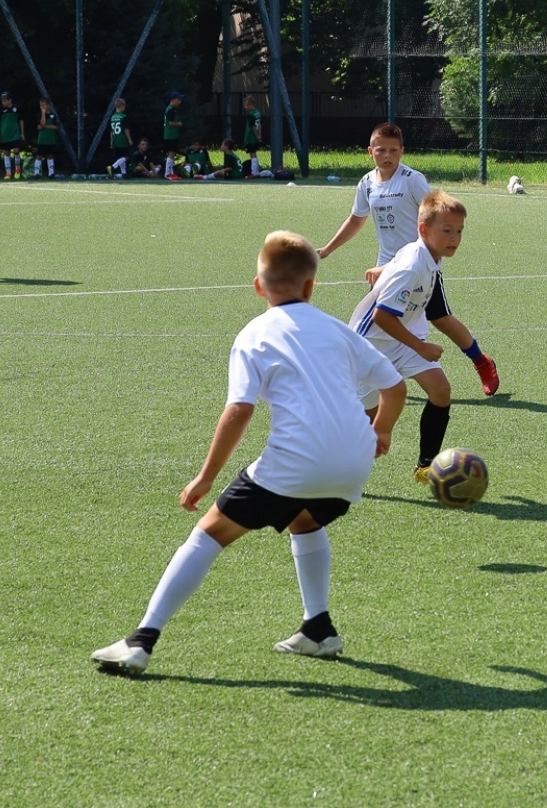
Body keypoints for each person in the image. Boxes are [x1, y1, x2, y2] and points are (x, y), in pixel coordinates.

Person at [91, 231, 407, 674]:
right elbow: (394, 386)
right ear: (311, 287)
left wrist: (204, 477)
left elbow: (239, 410)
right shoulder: (338, 329)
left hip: (301, 459)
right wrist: (382, 432)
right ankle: (318, 629)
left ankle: (141, 640)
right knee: (303, 517)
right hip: (352, 460)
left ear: (258, 287)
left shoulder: (254, 334)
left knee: (209, 533)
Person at [318, 122, 500, 396]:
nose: (387, 155)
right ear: (370, 152)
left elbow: (436, 214)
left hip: (420, 265)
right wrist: (328, 249)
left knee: (440, 319)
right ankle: (378, 381)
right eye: (381, 150)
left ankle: (481, 360)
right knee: (380, 325)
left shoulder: (411, 180)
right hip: (385, 269)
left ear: (402, 151)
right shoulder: (367, 184)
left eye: (393, 150)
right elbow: (356, 219)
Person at [347, 190, 469, 485]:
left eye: (459, 231)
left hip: (403, 339)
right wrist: (422, 347)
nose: (455, 237)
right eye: (447, 230)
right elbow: (381, 316)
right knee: (367, 423)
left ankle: (426, 466)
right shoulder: (413, 265)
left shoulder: (425, 254)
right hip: (371, 346)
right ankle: (335, 469)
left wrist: (382, 269)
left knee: (440, 390)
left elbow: (401, 256)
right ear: (424, 230)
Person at [0, 92, 24, 180]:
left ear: (10, 100)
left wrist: (22, 133)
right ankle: (8, 172)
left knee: (16, 150)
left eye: (4, 100)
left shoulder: (16, 109)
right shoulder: (0, 110)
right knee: (6, 152)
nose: (3, 102)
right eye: (2, 100)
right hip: (5, 134)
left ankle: (17, 170)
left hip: (15, 133)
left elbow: (21, 120)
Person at [32, 96, 61, 178]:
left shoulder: (53, 115)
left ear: (48, 105)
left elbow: (55, 127)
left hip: (51, 140)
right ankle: (36, 173)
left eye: (44, 105)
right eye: (41, 105)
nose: (42, 107)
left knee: (50, 155)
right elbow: (40, 125)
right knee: (39, 156)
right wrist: (43, 114)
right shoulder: (39, 115)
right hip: (41, 140)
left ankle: (51, 173)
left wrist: (46, 126)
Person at [161, 91, 185, 178]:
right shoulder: (170, 109)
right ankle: (167, 174)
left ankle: (171, 173)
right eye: (178, 100)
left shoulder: (172, 109)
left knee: (172, 154)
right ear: (173, 100)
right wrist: (179, 124)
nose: (180, 102)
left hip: (172, 135)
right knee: (171, 154)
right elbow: (170, 123)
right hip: (170, 135)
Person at [106, 98, 131, 171]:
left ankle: (123, 173)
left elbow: (111, 130)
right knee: (127, 157)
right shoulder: (123, 117)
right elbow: (126, 129)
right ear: (122, 106)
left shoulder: (112, 117)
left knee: (120, 157)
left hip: (115, 139)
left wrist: (111, 141)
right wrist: (129, 139)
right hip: (122, 139)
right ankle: (113, 167)